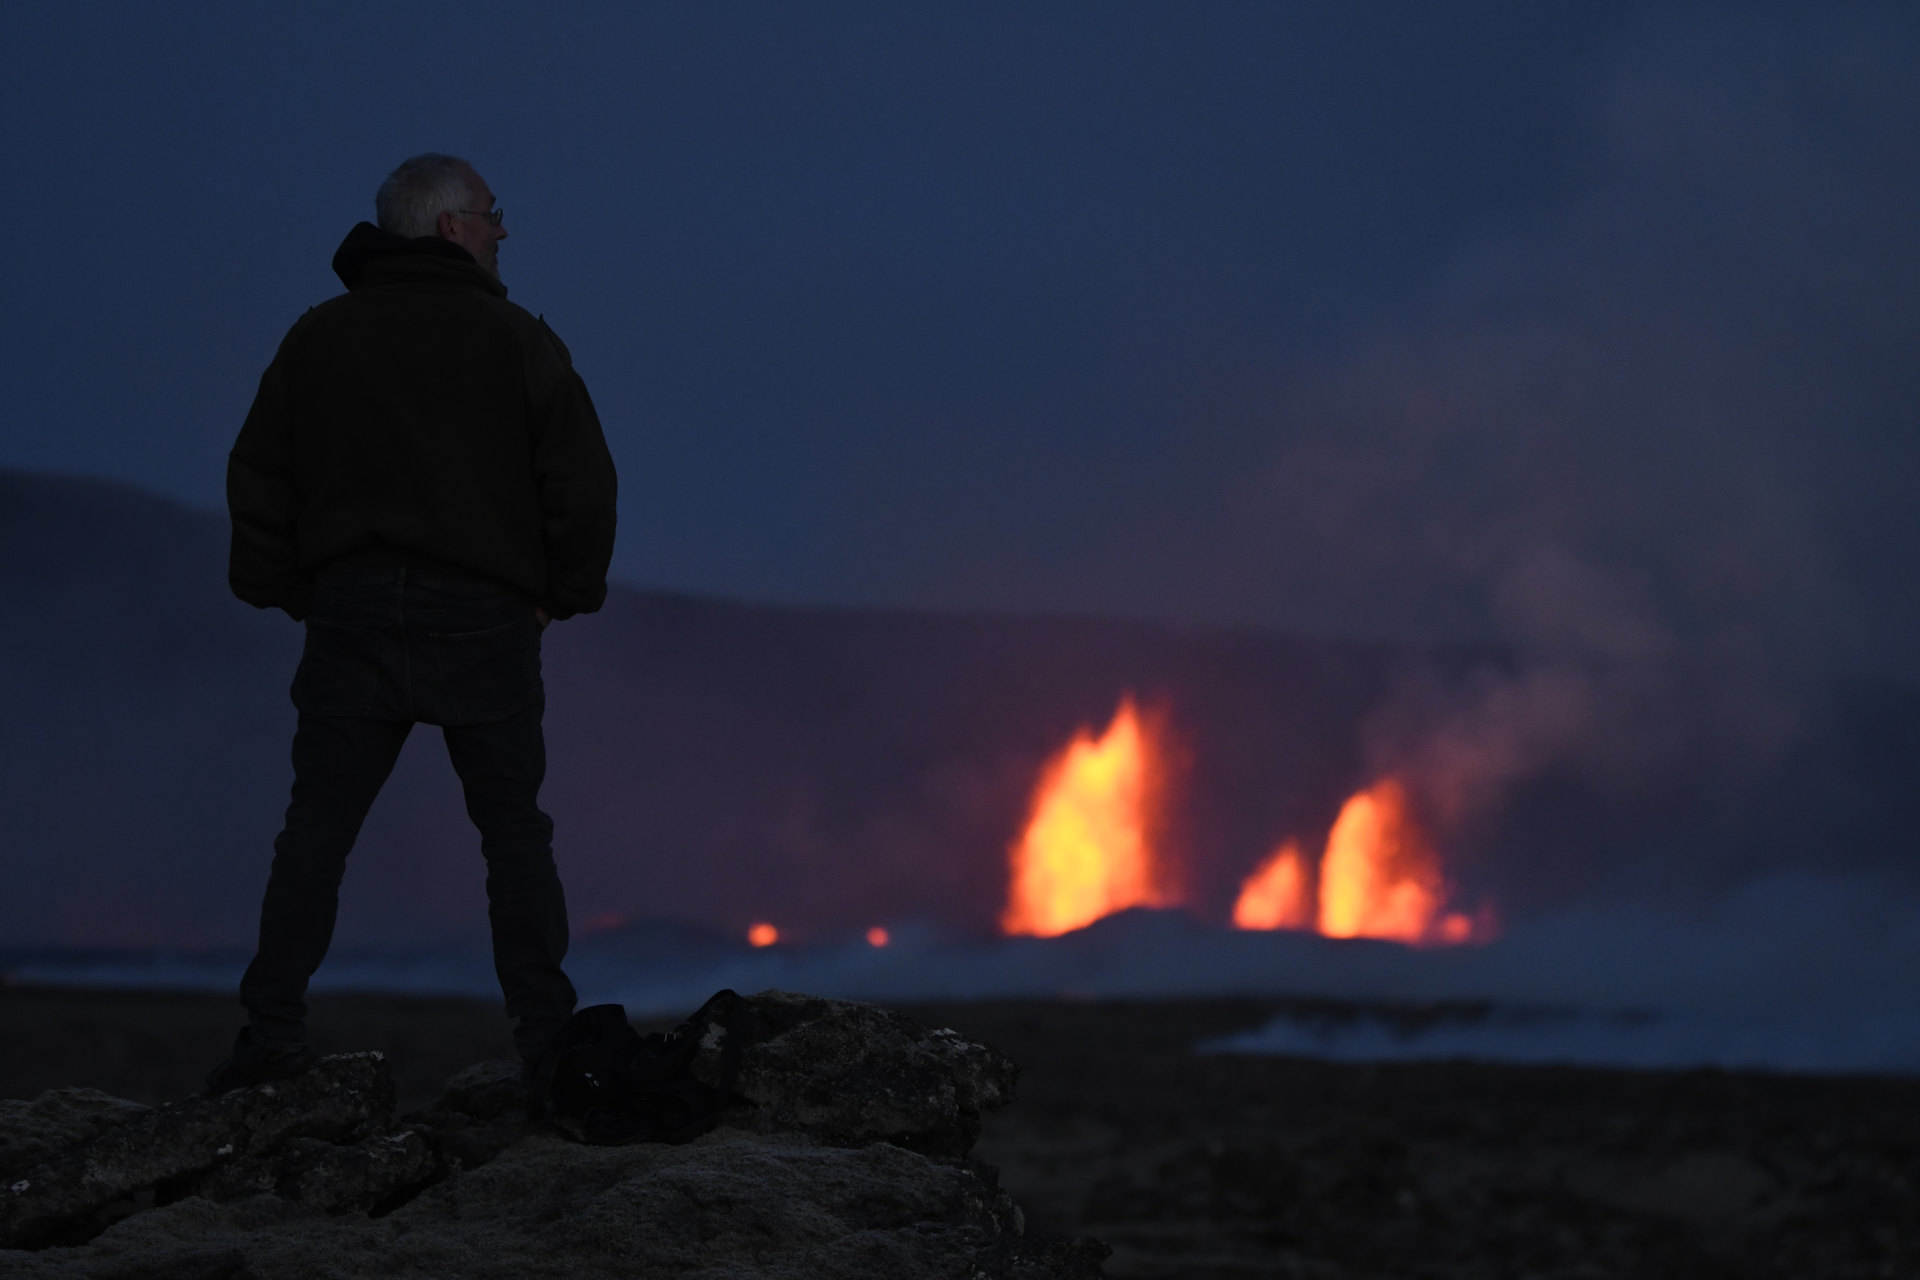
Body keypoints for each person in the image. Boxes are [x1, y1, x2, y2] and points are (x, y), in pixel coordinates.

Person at [211, 154, 617, 1094]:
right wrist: (563, 593)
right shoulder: (516, 343)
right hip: (484, 622)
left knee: (317, 829)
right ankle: (547, 1047)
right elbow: (581, 486)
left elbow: (259, 477)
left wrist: (290, 590)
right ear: (448, 227)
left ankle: (270, 1039)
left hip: (351, 615)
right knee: (513, 831)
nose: (502, 229)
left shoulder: (318, 339)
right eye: (490, 214)